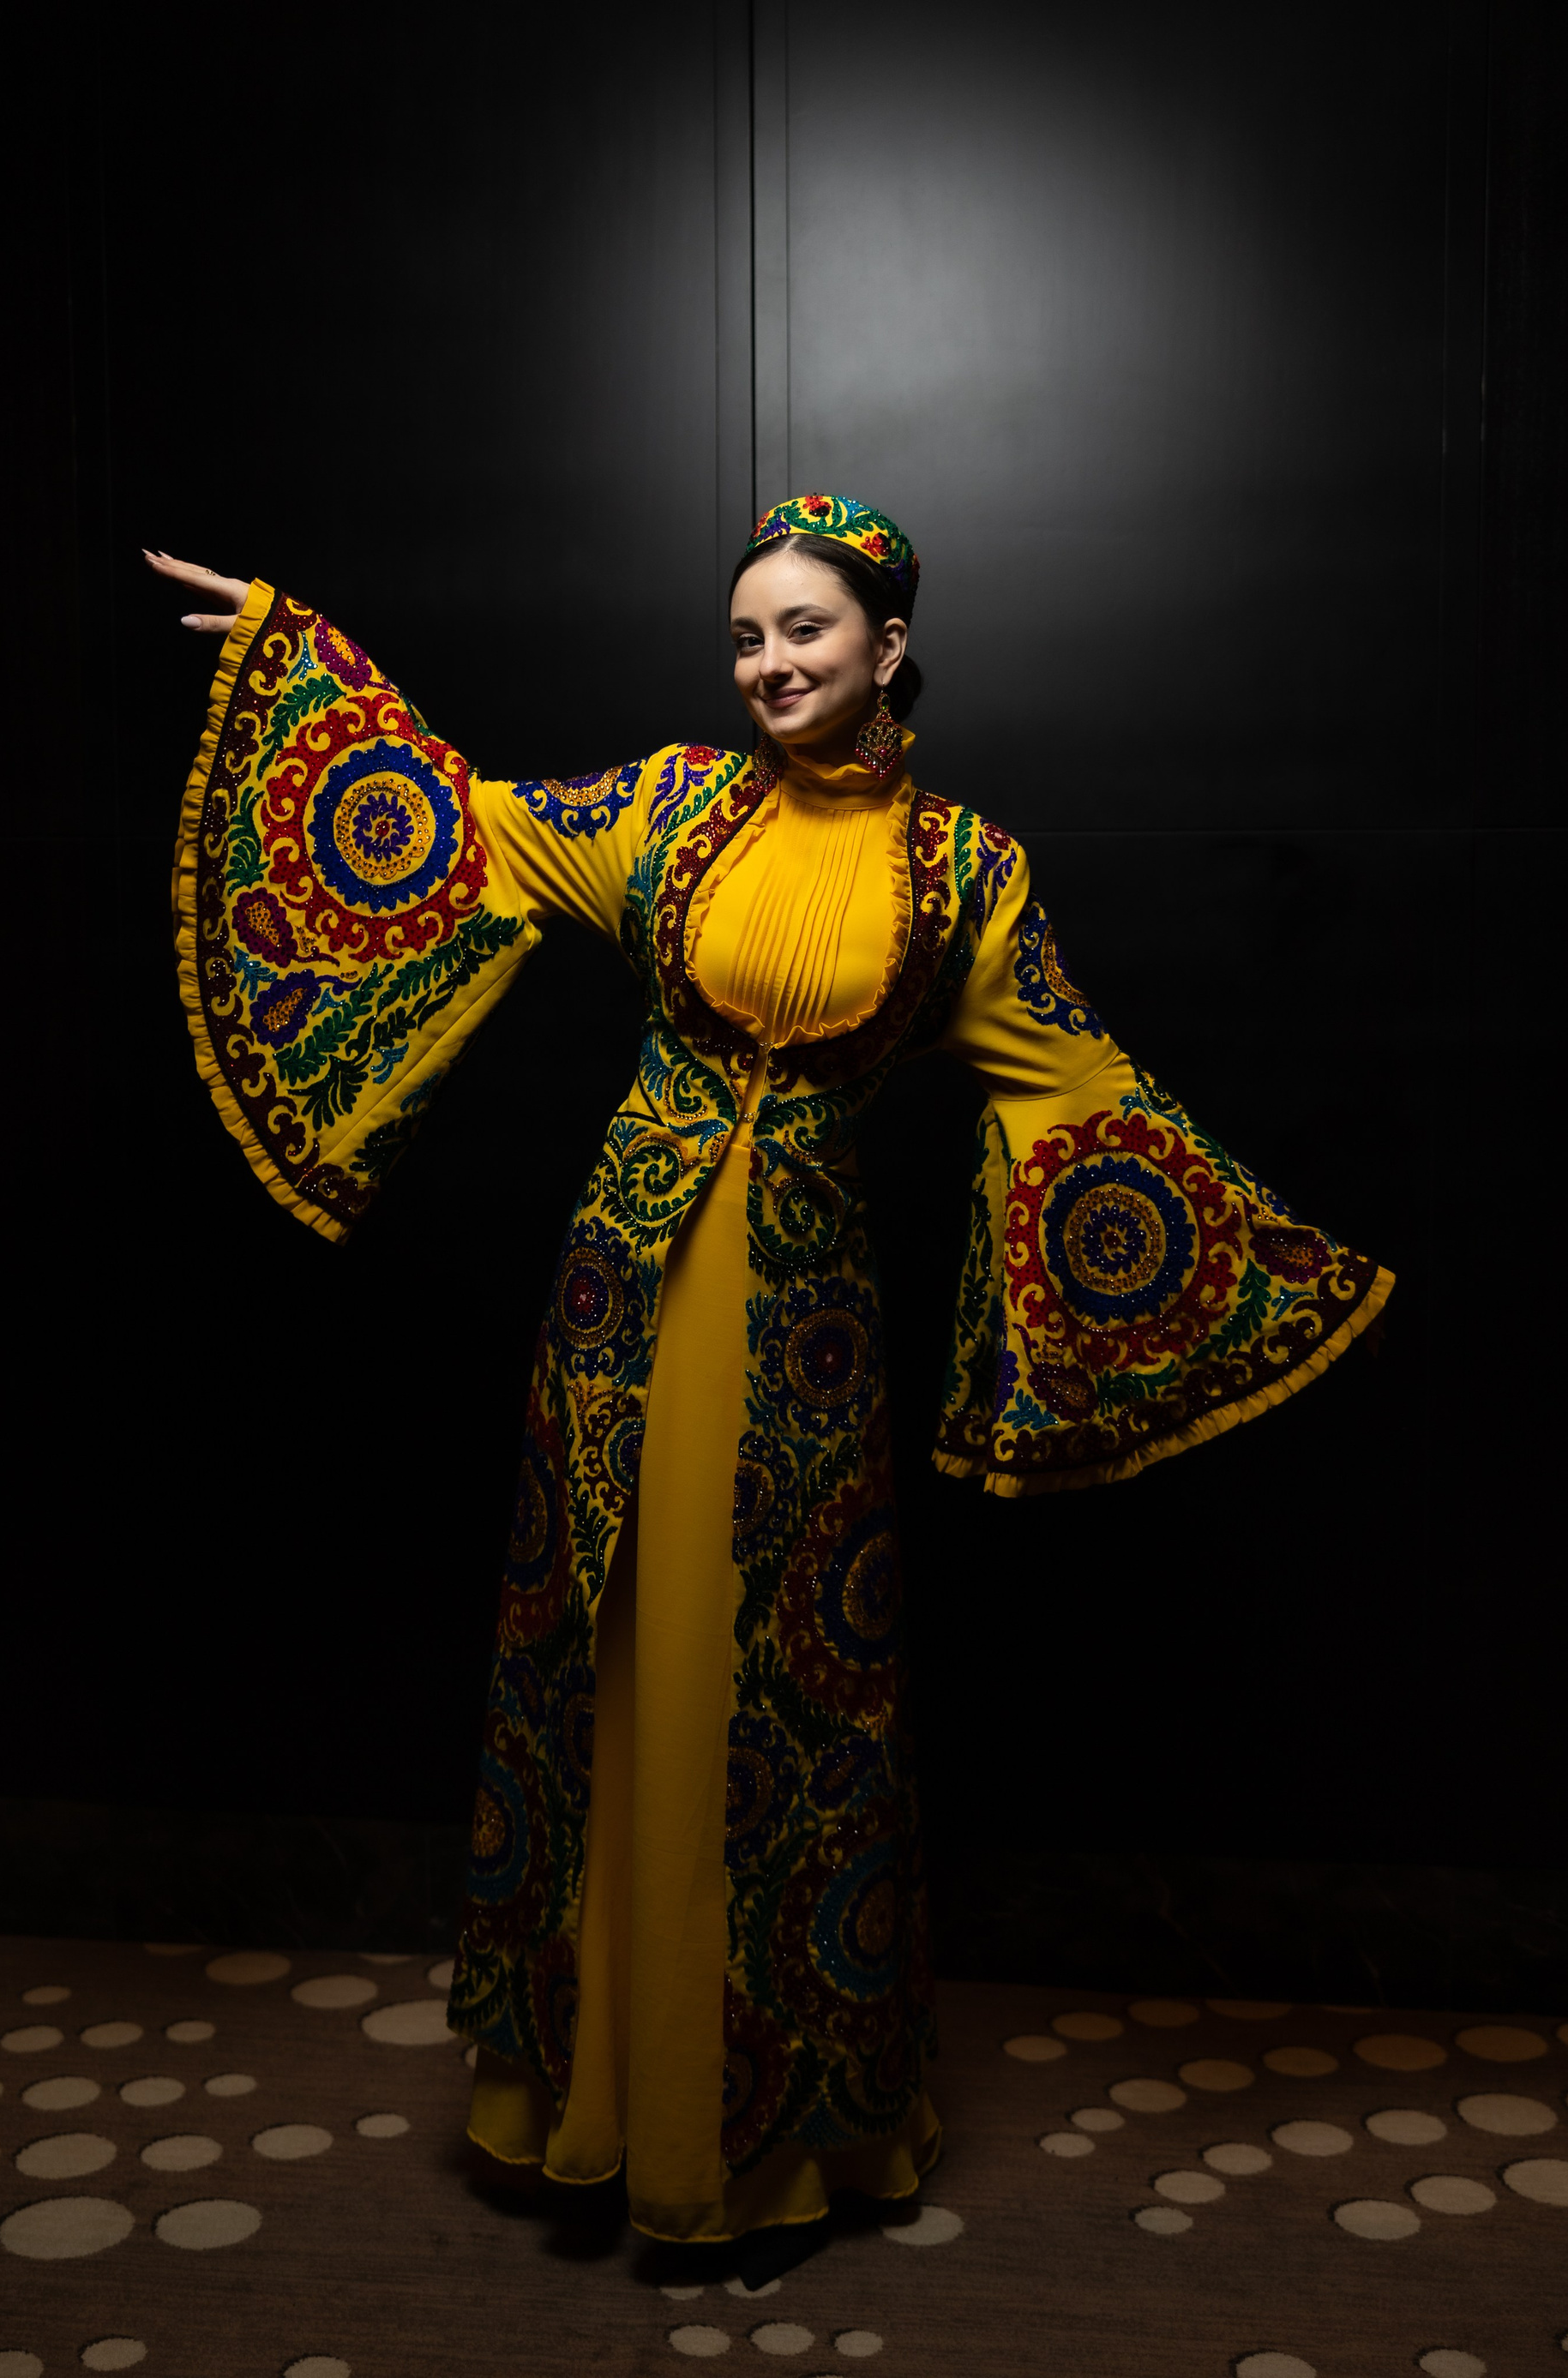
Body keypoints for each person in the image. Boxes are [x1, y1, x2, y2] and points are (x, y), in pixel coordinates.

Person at [149, 495, 1391, 2274]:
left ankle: (763, 2149)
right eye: (746, 636)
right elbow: (460, 828)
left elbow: (1073, 1084)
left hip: (805, 1321)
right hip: (621, 1290)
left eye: (805, 629)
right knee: (606, 1655)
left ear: (890, 644)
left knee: (787, 1695)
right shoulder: (670, 805)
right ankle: (588, 2113)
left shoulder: (964, 871)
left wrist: (1259, 1266)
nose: (769, 664)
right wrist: (297, 659)